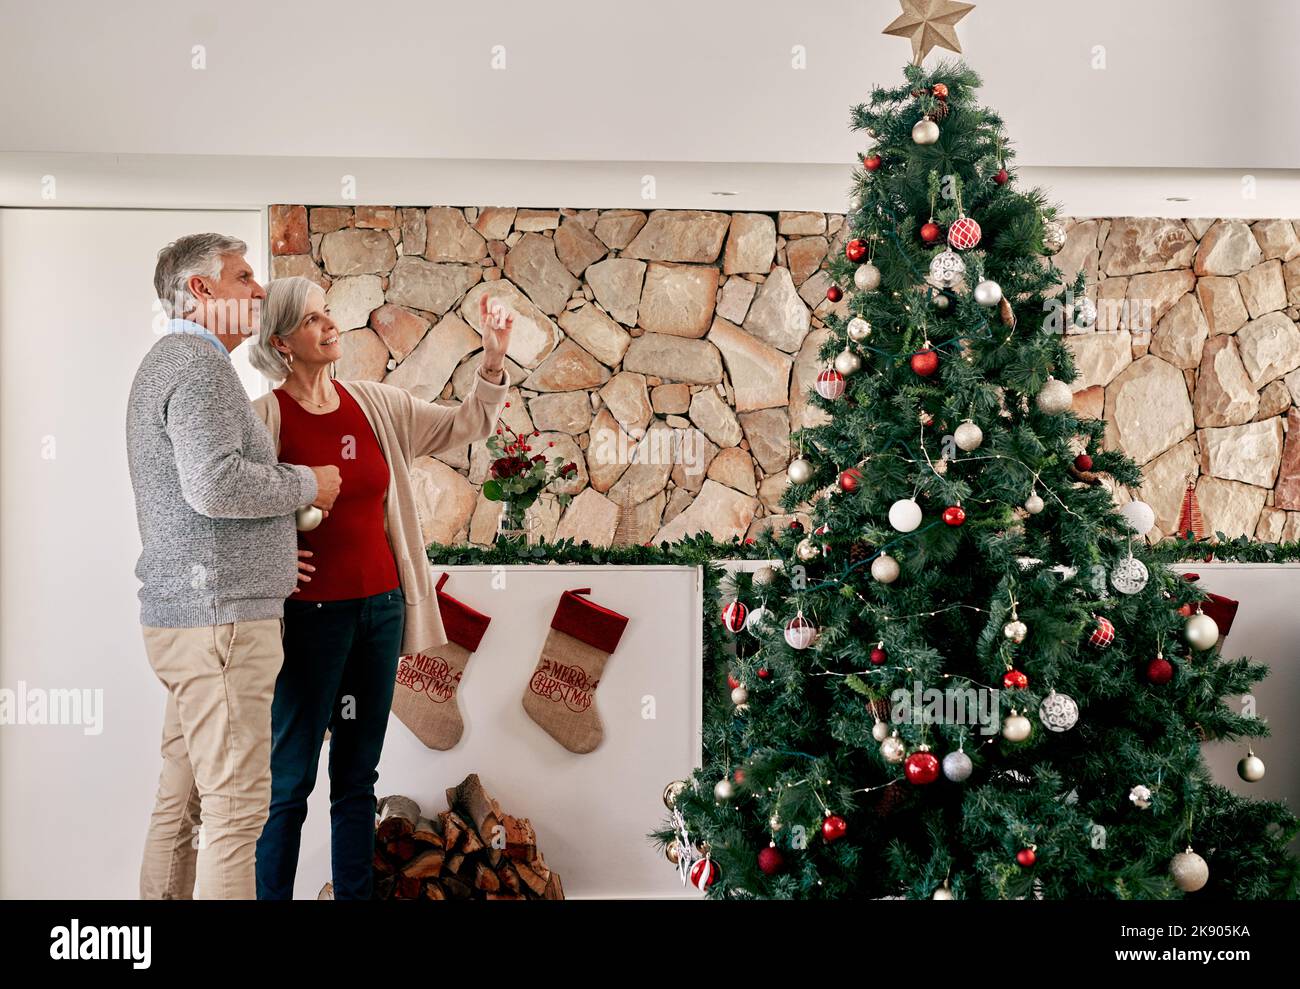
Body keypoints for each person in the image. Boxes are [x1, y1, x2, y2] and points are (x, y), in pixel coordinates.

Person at [249, 276, 513, 899]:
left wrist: (494, 355)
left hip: (380, 612)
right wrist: (275, 560)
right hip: (308, 621)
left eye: (327, 313)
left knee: (357, 778)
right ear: (283, 342)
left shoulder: (376, 406)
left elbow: (464, 424)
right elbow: (236, 514)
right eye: (314, 319)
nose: (330, 324)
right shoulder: (264, 420)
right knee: (289, 782)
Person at [128, 234, 341, 899]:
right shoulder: (199, 366)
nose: (257, 290)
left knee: (183, 801)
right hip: (220, 625)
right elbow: (214, 484)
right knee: (236, 809)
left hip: (187, 622)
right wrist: (309, 484)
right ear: (201, 290)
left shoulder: (169, 362)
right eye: (243, 277)